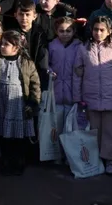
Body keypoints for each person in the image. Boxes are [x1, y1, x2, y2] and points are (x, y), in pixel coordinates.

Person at [73, 16, 112, 175]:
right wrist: (77, 97)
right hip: (90, 97)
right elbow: (77, 74)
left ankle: (110, 159)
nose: (98, 32)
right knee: (93, 131)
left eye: (102, 30)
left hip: (110, 97)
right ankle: (94, 159)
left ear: (109, 31)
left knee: (110, 131)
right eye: (96, 29)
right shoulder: (83, 49)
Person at [0, 30, 40, 176]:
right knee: (4, 136)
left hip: (19, 104)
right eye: (1, 43)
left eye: (6, 44)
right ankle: (5, 162)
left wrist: (33, 103)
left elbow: (35, 84)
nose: (2, 47)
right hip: (2, 103)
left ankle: (19, 162)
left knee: (18, 137)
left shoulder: (26, 63)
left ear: (16, 47)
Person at [46, 18, 80, 165]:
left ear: (74, 31)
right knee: (56, 126)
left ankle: (69, 156)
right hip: (56, 92)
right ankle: (57, 154)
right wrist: (50, 72)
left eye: (68, 31)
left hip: (73, 92)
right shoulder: (52, 46)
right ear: (56, 31)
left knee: (71, 128)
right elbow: (47, 64)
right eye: (61, 31)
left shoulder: (79, 46)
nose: (65, 34)